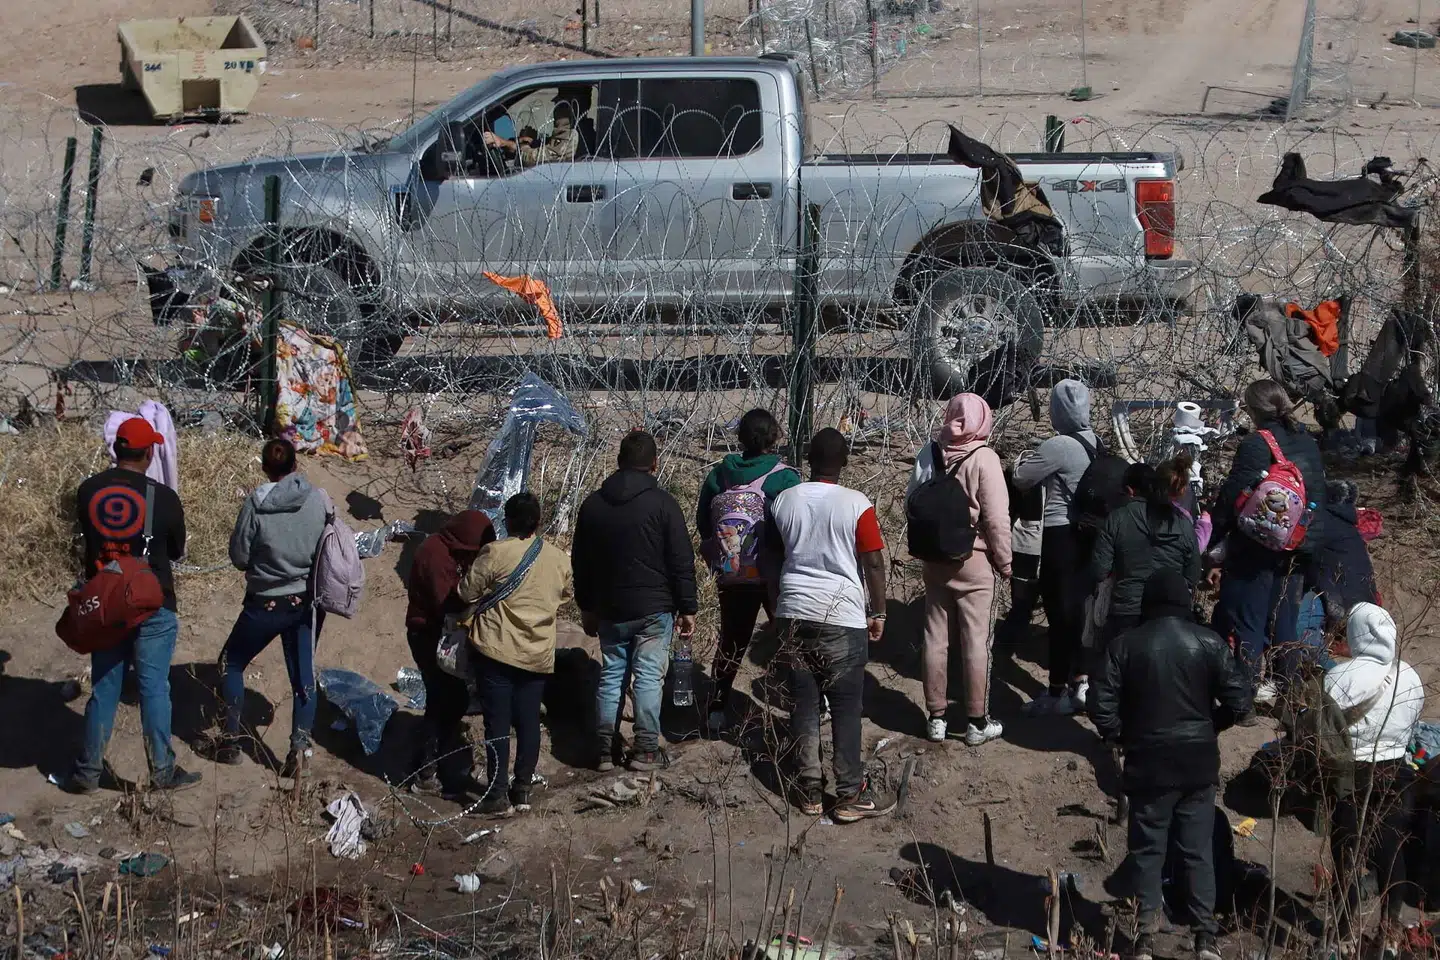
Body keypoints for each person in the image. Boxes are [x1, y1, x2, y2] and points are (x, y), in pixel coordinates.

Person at [1089, 571, 1250, 960]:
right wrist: (1212, 725)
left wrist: (1122, 736)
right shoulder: (1207, 643)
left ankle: (1145, 935)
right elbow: (1241, 701)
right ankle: (1204, 937)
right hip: (1197, 763)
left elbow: (1100, 705)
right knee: (1197, 850)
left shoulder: (1123, 646)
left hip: (1149, 763)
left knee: (1147, 849)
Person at [67, 417, 199, 794]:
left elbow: (87, 540)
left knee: (104, 688)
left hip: (106, 604)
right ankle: (162, 771)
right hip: (152, 601)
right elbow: (175, 550)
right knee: (154, 688)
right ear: (150, 452)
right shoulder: (164, 498)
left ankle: (87, 771)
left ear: (116, 450)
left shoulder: (87, 490)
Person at [771, 428, 893, 823]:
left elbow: (772, 557)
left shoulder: (785, 501)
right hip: (841, 614)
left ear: (808, 458)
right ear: (844, 461)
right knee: (844, 705)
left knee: (803, 703)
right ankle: (848, 793)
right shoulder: (856, 504)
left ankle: (808, 788)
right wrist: (878, 611)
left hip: (793, 610)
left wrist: (781, 599)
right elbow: (872, 561)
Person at [573, 430, 698, 772]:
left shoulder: (593, 505)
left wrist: (586, 607)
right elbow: (680, 561)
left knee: (612, 674)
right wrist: (688, 607)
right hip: (654, 609)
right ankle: (645, 749)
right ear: (654, 464)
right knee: (647, 676)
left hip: (611, 610)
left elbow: (580, 562)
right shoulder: (663, 504)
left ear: (619, 461)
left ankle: (603, 749)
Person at [1211, 379, 1327, 706]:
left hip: (1259, 546)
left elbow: (1234, 496)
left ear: (1253, 409)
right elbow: (1318, 493)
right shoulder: (1307, 441)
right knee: (1284, 618)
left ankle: (1245, 697)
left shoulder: (1256, 444)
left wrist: (1217, 538)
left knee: (1250, 616)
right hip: (1300, 543)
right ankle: (1287, 692)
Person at [218, 438, 329, 777]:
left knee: (231, 662)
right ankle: (299, 749)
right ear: (295, 466)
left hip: (265, 603)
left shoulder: (256, 503)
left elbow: (239, 557)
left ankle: (231, 741)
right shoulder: (318, 499)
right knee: (302, 678)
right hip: (306, 603)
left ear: (265, 469)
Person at [906, 393, 1012, 745]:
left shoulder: (930, 452)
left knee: (935, 638)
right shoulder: (985, 458)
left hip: (935, 560)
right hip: (974, 560)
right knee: (975, 640)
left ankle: (935, 717)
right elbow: (996, 520)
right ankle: (976, 721)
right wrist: (1005, 562)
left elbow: (912, 501)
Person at [458, 493, 572, 816]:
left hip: (497, 651)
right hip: (537, 654)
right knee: (529, 721)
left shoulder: (496, 553)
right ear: (537, 522)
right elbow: (564, 596)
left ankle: (495, 795)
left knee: (497, 724)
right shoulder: (558, 559)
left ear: (507, 521)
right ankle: (521, 789)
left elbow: (467, 591)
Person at [1322, 602, 1424, 950]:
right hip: (1397, 772)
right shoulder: (1409, 674)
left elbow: (1328, 730)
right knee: (1391, 853)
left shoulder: (1338, 676)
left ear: (1355, 633)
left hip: (1353, 774)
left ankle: (1344, 934)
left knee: (1346, 853)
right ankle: (1391, 935)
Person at [696, 409, 802, 732]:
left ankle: (716, 708)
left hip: (732, 570)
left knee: (732, 639)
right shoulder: (785, 478)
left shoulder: (720, 475)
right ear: (774, 437)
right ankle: (809, 703)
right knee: (790, 639)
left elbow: (703, 524)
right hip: (773, 574)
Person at [1013, 378, 1099, 714]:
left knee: (1059, 613)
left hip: (1058, 535)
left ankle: (1056, 691)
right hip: (1088, 536)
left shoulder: (1058, 445)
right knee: (1079, 611)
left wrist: (1018, 460)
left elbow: (1022, 477)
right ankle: (1081, 680)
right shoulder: (1095, 440)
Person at [403, 509, 496, 798]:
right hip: (427, 634)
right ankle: (427, 771)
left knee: (452, 698)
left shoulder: (448, 550)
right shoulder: (434, 555)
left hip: (440, 633)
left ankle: (437, 756)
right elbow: (447, 601)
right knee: (442, 698)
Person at [1089, 456, 1200, 643]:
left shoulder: (1119, 517)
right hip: (1169, 617)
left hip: (1126, 611)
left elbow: (1100, 570)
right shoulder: (1184, 525)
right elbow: (1193, 576)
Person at [484, 99, 578, 166]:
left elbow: (535, 159)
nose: (556, 108)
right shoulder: (571, 133)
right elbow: (548, 147)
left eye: (561, 105)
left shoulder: (571, 136)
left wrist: (509, 143)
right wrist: (531, 142)